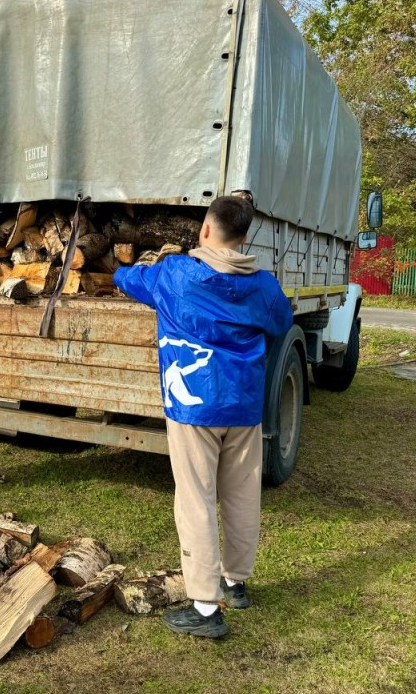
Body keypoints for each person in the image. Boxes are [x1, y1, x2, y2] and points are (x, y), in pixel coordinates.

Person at [114, 196, 293, 638]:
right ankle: (236, 582)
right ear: (244, 237)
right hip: (244, 405)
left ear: (206, 230)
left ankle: (204, 606)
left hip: (194, 407)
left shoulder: (174, 275)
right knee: (241, 493)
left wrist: (131, 266)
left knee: (195, 497)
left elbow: (126, 278)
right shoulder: (264, 285)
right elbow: (282, 319)